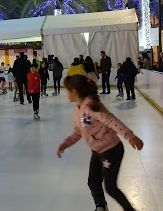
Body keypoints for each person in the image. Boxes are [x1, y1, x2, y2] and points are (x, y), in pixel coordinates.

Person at [57, 74, 144, 211]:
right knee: (93, 182)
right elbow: (77, 132)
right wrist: (65, 144)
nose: (66, 93)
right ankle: (101, 207)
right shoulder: (77, 110)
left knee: (110, 187)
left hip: (111, 151)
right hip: (97, 152)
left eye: (67, 90)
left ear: (74, 91)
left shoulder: (92, 106)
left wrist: (130, 136)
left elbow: (111, 121)